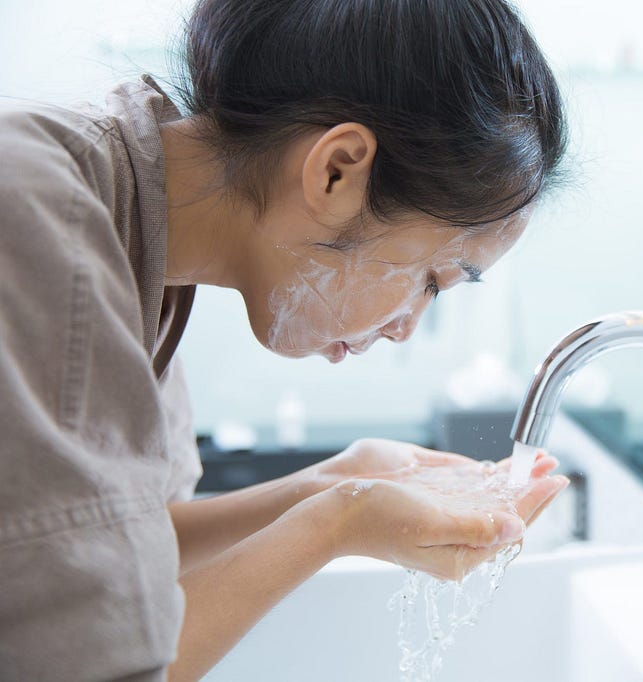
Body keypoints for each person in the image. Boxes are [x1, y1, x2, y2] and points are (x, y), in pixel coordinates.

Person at [0, 0, 570, 679]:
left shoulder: (135, 247)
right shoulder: (36, 218)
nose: (406, 325)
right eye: (431, 279)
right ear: (337, 171)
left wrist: (336, 480)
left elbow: (104, 561)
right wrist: (337, 522)